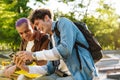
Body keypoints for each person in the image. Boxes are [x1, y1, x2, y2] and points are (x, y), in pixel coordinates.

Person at [13, 8, 98, 80]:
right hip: (60, 75)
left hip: (78, 75)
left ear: (46, 18)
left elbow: (65, 50)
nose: (37, 28)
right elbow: (49, 68)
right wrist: (25, 68)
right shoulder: (51, 41)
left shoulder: (64, 23)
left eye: (37, 24)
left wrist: (34, 55)